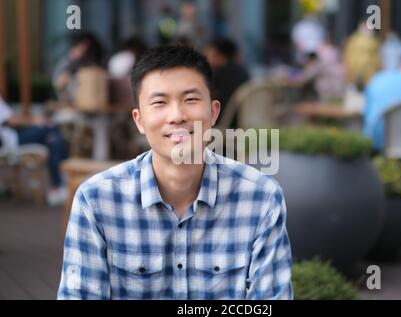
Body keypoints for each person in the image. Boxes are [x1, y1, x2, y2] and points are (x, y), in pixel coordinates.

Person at [57, 46, 293, 300]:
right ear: (139, 120)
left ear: (213, 112)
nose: (177, 116)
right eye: (159, 102)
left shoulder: (261, 198)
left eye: (190, 100)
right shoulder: (96, 201)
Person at [0, 96, 68, 205]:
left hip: (13, 136)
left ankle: (59, 183)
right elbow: (11, 121)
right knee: (52, 127)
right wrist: (34, 120)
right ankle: (61, 177)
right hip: (11, 140)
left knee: (53, 139)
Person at [203, 37, 249, 127]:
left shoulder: (217, 75)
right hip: (241, 122)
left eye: (208, 53)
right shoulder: (243, 72)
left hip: (223, 124)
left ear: (219, 56)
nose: (204, 56)